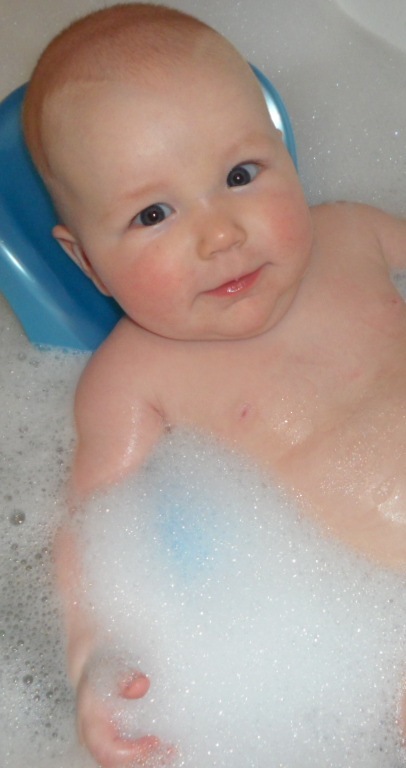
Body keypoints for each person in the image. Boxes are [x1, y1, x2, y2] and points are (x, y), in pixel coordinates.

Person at [23, 3, 406, 765]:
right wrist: (93, 652)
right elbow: (87, 527)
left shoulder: (354, 233)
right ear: (87, 262)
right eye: (153, 213)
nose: (220, 233)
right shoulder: (132, 375)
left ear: (285, 155)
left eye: (240, 175)